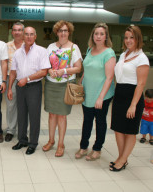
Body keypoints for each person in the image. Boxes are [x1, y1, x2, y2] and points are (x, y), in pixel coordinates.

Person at [110, 26, 149, 171]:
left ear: (138, 38)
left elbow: (141, 84)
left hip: (133, 96)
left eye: (131, 37)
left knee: (130, 131)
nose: (128, 40)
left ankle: (122, 159)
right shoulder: (124, 54)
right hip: (120, 93)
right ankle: (122, 158)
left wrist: (133, 105)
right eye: (126, 37)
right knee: (118, 129)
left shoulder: (142, 58)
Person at [75, 23, 116, 161]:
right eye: (96, 33)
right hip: (88, 92)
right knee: (87, 121)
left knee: (100, 122)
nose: (98, 36)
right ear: (93, 35)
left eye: (101, 34)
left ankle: (97, 148)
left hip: (102, 94)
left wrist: (101, 97)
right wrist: (80, 82)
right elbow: (86, 69)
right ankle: (83, 146)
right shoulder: (90, 49)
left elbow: (110, 77)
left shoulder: (109, 53)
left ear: (106, 36)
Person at [8, 26, 51, 155]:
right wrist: (10, 88)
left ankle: (33, 143)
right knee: (21, 115)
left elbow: (44, 71)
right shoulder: (17, 53)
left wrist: (27, 79)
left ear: (35, 36)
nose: (29, 36)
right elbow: (13, 72)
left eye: (31, 34)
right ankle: (22, 140)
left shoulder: (41, 51)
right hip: (19, 87)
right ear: (22, 36)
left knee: (34, 115)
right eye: (26, 34)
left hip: (34, 87)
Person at [43, 20, 82, 157]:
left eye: (65, 30)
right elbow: (45, 64)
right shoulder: (50, 46)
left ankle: (61, 144)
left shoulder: (73, 47)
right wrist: (49, 71)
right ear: (57, 32)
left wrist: (64, 70)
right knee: (52, 114)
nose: (63, 33)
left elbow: (78, 67)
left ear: (69, 32)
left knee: (62, 115)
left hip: (65, 85)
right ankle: (51, 140)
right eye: (61, 30)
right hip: (51, 84)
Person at [5, 22, 24, 142]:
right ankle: (10, 130)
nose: (17, 32)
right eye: (15, 30)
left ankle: (23, 131)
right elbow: (3, 64)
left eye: (20, 30)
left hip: (25, 80)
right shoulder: (6, 46)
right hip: (10, 79)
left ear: (23, 32)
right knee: (11, 106)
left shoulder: (29, 45)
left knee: (24, 106)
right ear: (12, 32)